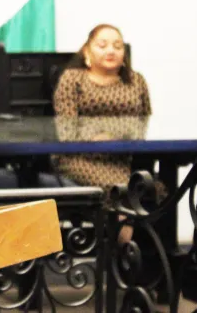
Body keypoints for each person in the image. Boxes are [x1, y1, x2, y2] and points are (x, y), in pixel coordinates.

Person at [52, 24, 153, 244]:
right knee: (124, 189)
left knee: (154, 186)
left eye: (117, 46)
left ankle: (139, 259)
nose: (111, 50)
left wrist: (103, 133)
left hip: (122, 159)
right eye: (102, 45)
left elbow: (141, 127)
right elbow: (68, 131)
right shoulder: (73, 79)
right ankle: (121, 254)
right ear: (87, 51)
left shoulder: (137, 81)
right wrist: (113, 133)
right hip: (78, 158)